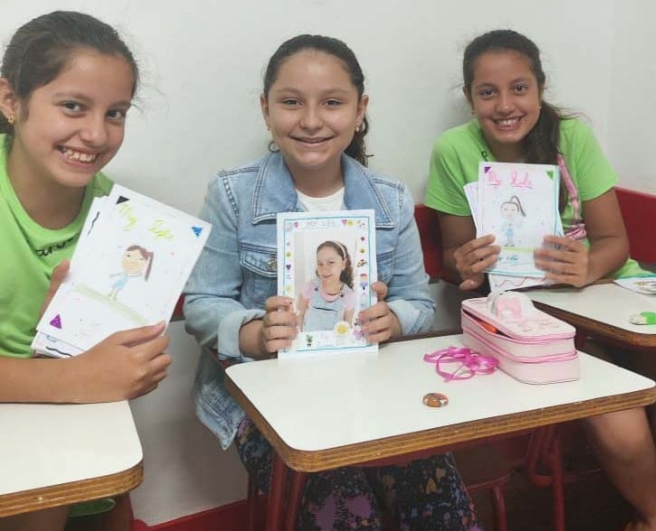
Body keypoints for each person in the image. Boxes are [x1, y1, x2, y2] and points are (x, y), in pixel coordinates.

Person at [184, 34, 481, 531]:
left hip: (373, 390)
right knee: (341, 505)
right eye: (291, 102)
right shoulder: (233, 193)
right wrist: (253, 333)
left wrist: (395, 319)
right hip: (268, 402)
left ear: (360, 109)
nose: (311, 120)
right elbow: (202, 303)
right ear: (266, 109)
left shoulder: (390, 199)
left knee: (436, 496)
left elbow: (416, 302)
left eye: (333, 103)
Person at [425, 29, 656, 531]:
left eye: (519, 88)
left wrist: (588, 265)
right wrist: (465, 263)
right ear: (470, 98)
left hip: (614, 300)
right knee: (623, 431)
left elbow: (614, 243)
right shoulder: (454, 150)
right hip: (536, 320)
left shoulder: (573, 137)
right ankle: (652, 517)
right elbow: (454, 258)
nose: (505, 105)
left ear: (540, 89)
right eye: (487, 92)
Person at [0, 11, 171, 531]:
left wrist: (126, 365)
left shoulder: (123, 221)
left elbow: (113, 374)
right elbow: (86, 378)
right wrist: (71, 375)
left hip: (84, 453)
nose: (96, 134)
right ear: (10, 101)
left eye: (115, 113)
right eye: (73, 106)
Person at [297, 240, 356, 331]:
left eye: (331, 262)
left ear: (344, 264)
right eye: (320, 263)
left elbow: (347, 325)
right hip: (309, 342)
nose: (324, 269)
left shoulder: (348, 295)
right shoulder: (310, 287)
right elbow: (299, 315)